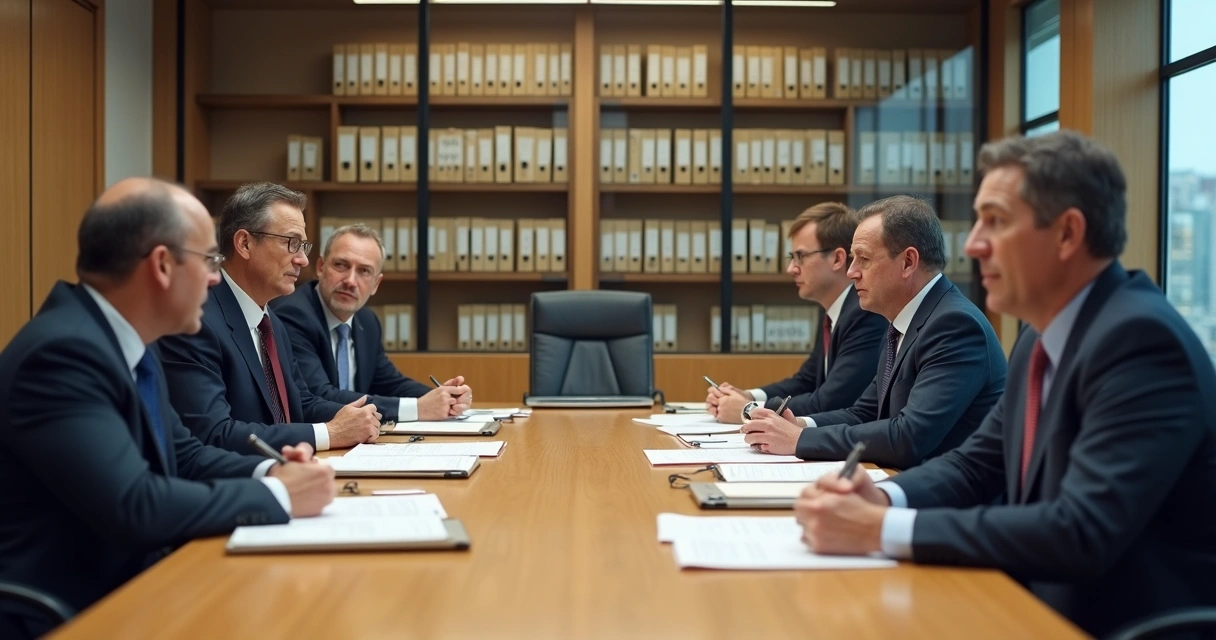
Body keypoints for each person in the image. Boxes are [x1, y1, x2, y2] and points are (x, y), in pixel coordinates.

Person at [793, 131, 1216, 637]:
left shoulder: (1139, 341)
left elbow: (1079, 531)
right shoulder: (1042, 333)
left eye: (995, 221)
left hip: (1112, 623)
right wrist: (883, 500)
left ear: (1067, 233)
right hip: (1032, 600)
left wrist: (882, 529)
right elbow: (977, 464)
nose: (973, 243)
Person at [0, 178, 336, 639]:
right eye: (208, 261)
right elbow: (134, 506)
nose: (217, 278)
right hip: (75, 609)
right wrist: (279, 498)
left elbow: (187, 455)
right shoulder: (61, 355)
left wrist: (272, 473)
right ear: (162, 265)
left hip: (139, 583)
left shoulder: (128, 343)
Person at [742, 196, 1006, 470]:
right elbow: (865, 412)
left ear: (908, 262)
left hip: (948, 501)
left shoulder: (954, 325)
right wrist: (798, 423)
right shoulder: (902, 320)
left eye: (863, 259)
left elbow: (909, 436)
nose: (852, 272)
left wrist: (800, 439)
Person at [158, 182, 382, 452]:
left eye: (303, 246)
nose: (302, 260)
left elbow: (301, 402)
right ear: (244, 243)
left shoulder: (270, 320)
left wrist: (358, 417)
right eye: (292, 243)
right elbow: (214, 433)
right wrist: (329, 433)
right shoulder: (197, 321)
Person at [271, 223, 472, 422]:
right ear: (321, 267)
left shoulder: (367, 321)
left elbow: (389, 383)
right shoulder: (293, 315)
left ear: (376, 284)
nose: (350, 281)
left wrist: (444, 396)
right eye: (341, 265)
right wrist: (419, 408)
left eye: (364, 271)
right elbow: (319, 396)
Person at [706, 203, 885, 422]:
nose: (791, 268)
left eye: (801, 257)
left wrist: (750, 409)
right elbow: (805, 381)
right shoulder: (833, 312)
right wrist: (748, 395)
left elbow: (830, 401)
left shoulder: (864, 314)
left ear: (838, 259)